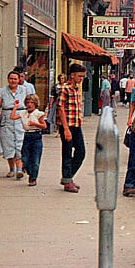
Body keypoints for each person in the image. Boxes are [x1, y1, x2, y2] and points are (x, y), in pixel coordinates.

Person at [0, 70, 27, 178]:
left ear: (19, 80)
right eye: (11, 79)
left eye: (15, 79)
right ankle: (12, 169)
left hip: (20, 117)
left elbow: (31, 104)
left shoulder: (24, 90)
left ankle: (19, 169)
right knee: (8, 145)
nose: (13, 81)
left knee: (20, 144)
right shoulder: (2, 91)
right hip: (6, 119)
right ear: (8, 79)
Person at [57, 63, 87, 193]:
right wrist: (65, 129)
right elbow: (60, 108)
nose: (81, 79)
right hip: (67, 125)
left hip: (76, 124)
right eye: (79, 76)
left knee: (81, 152)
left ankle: (67, 177)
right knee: (67, 153)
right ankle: (67, 180)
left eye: (82, 77)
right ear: (72, 75)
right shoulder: (65, 88)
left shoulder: (76, 89)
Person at [10, 93, 46, 186]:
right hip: (27, 136)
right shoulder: (23, 113)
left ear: (35, 104)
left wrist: (35, 124)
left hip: (36, 136)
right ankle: (27, 170)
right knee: (25, 157)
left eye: (32, 102)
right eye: (28, 102)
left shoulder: (38, 114)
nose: (29, 104)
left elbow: (44, 126)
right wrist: (15, 107)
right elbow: (12, 117)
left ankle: (33, 178)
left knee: (35, 159)